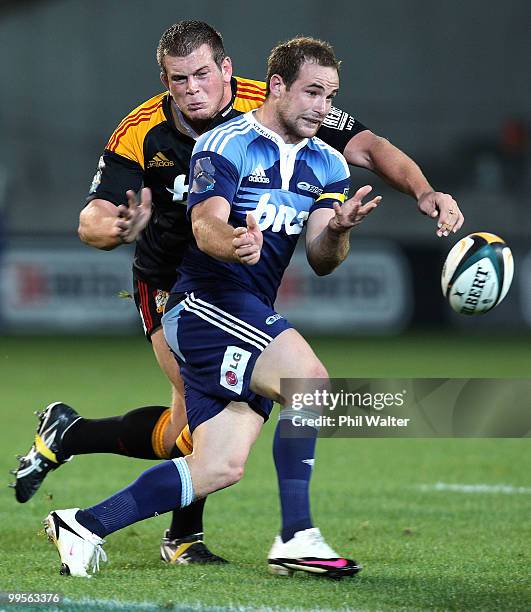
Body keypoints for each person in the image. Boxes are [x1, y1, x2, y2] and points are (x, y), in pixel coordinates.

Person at [13, 21, 464, 568]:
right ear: (166, 81)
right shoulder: (160, 133)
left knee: (209, 455)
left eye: (203, 74)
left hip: (241, 290)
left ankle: (81, 499)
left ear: (228, 71)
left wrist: (418, 193)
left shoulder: (303, 127)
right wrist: (113, 228)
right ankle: (240, 537)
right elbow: (113, 218)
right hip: (179, 285)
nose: (193, 88)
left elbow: (367, 151)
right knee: (306, 384)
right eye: (180, 80)